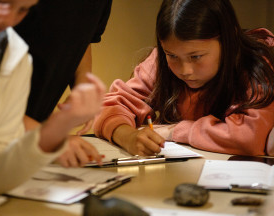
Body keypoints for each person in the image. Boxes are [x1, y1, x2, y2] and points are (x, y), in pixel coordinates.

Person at [0, 0, 105, 194]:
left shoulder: (11, 57)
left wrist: (51, 133)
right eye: (1, 3)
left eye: (23, 10)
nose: (8, 20)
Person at [93, 0, 274, 157]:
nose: (185, 70)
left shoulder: (254, 65)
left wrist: (174, 131)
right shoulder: (160, 62)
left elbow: (250, 136)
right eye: (171, 55)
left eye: (196, 57)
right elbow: (111, 107)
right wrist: (128, 137)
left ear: (228, 40)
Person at [14, 0, 112, 167]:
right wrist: (49, 138)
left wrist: (82, 87)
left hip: (24, 135)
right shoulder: (1, 40)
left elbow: (83, 36)